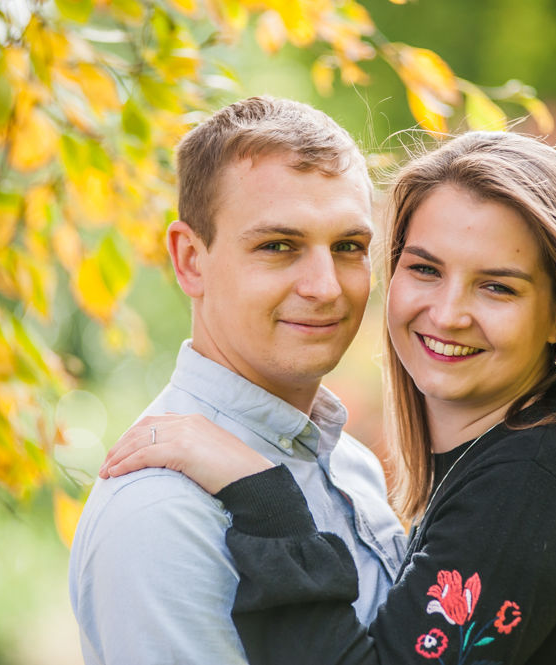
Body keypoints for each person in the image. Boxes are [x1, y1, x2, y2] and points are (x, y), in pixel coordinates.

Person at [102, 131, 556, 664]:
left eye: (498, 286)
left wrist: (261, 491)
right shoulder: (504, 462)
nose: (448, 312)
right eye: (426, 268)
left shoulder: (532, 482)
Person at [68, 96, 407, 665]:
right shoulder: (164, 516)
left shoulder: (352, 466)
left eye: (349, 247)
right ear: (190, 260)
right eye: (279, 246)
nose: (326, 287)